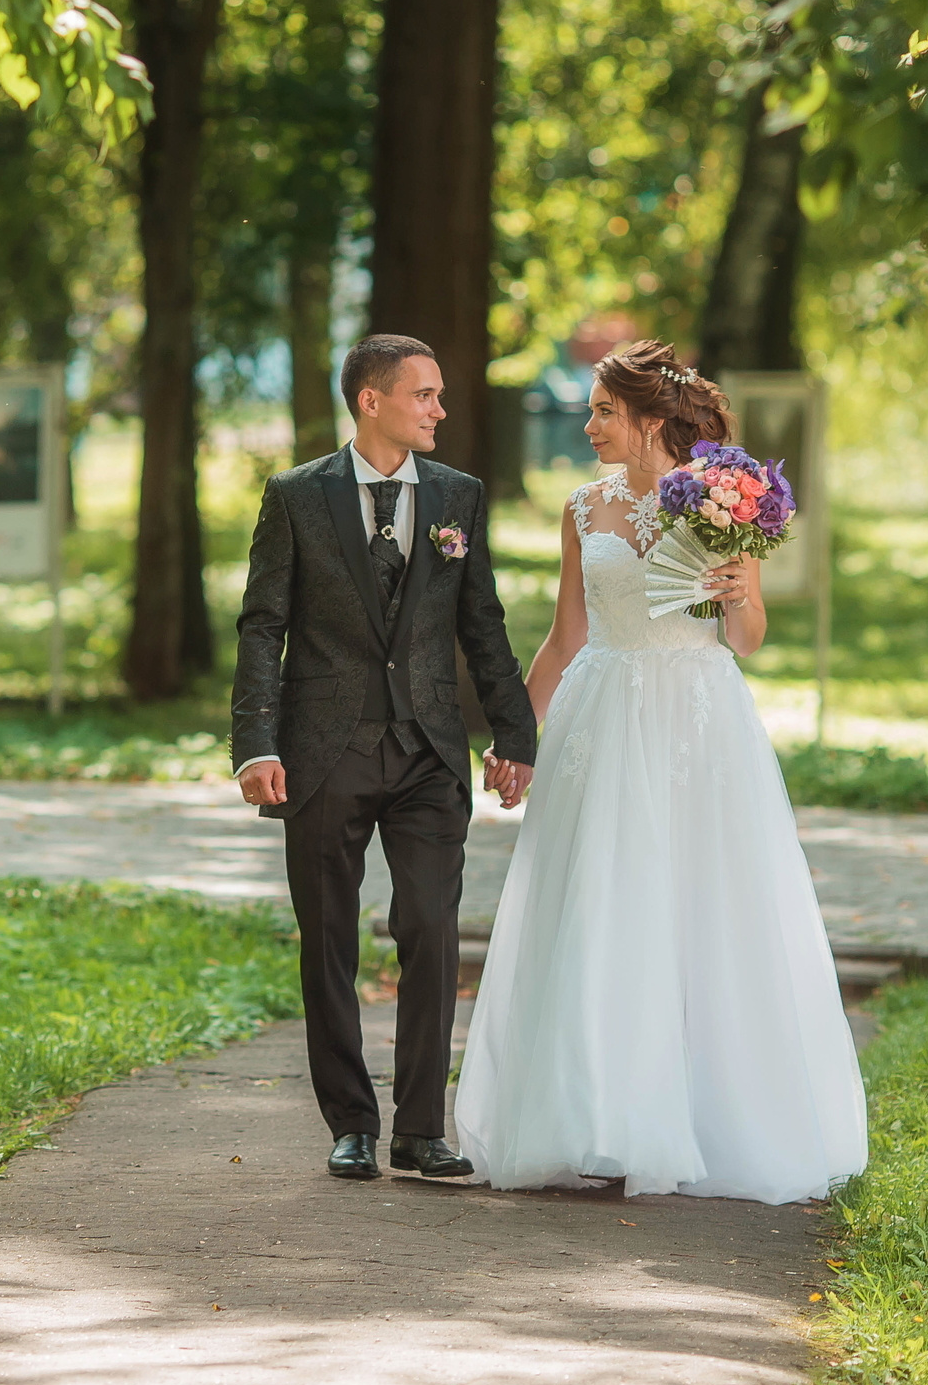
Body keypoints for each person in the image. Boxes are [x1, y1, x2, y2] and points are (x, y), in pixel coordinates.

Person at [453, 340, 868, 1202]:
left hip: (697, 717)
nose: (589, 423)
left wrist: (737, 594)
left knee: (700, 906)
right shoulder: (582, 507)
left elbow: (747, 639)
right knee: (601, 904)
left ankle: (706, 1114)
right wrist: (515, 737)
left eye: (603, 410)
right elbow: (566, 637)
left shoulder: (725, 497)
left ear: (648, 420)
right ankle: (598, 1116)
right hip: (601, 715)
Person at [230, 334, 538, 1181]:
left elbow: (483, 624)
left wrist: (515, 736)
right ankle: (352, 1123)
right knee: (328, 936)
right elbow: (263, 625)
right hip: (322, 751)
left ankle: (421, 1127)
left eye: (439, 395)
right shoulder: (297, 496)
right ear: (372, 401)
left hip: (429, 751)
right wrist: (255, 743)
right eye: (425, 395)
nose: (440, 409)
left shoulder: (457, 496)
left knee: (432, 930)